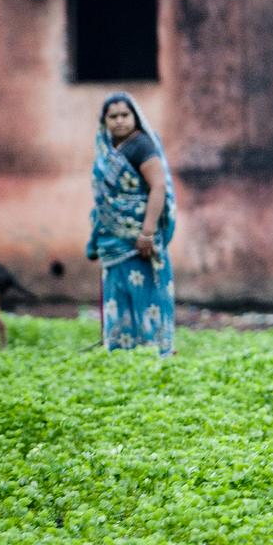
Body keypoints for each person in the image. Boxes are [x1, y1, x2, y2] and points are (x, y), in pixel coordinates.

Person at [86, 92, 176, 354]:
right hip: (113, 241)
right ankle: (119, 350)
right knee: (119, 295)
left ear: (135, 117)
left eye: (125, 115)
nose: (120, 121)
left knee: (146, 295)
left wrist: (147, 233)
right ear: (104, 121)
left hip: (140, 239)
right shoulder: (106, 149)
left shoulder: (142, 146)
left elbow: (158, 188)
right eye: (113, 116)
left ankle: (155, 351)